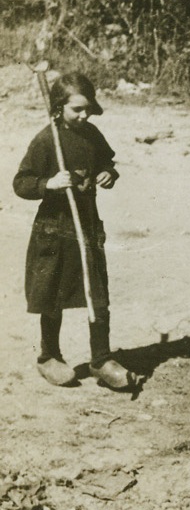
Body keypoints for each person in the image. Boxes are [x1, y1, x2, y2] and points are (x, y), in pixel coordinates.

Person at [13, 72, 135, 390]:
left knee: (97, 292)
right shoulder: (45, 139)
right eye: (76, 110)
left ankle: (101, 359)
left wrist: (109, 174)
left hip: (88, 225)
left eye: (87, 110)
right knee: (53, 294)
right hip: (54, 229)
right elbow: (21, 182)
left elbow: (109, 162)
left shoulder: (92, 134)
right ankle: (49, 356)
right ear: (58, 107)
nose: (83, 116)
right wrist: (48, 184)